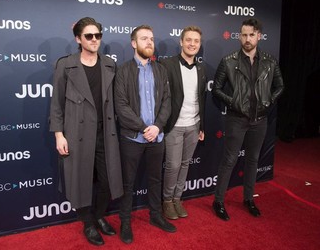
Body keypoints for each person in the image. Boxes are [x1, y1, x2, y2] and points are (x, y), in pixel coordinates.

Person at [49, 17, 123, 246]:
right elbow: (56, 103)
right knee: (79, 180)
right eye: (89, 36)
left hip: (105, 133)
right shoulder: (66, 64)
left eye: (97, 35)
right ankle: (88, 223)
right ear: (78, 39)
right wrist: (59, 134)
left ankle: (99, 215)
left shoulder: (110, 64)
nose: (94, 40)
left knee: (108, 180)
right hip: (76, 134)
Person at [212, 18, 284, 221]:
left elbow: (280, 86)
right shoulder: (229, 60)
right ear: (239, 36)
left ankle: (248, 199)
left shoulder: (270, 61)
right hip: (236, 119)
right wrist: (233, 101)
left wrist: (269, 100)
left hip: (260, 120)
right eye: (243, 35)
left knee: (252, 160)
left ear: (259, 36)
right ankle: (218, 201)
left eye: (251, 35)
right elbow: (216, 89)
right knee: (229, 161)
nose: (247, 39)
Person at [114, 25, 176, 244]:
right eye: (144, 39)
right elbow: (121, 106)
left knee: (155, 179)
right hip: (132, 138)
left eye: (151, 38)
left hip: (157, 137)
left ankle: (156, 216)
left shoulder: (160, 70)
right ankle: (125, 222)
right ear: (134, 43)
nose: (149, 42)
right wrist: (143, 128)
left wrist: (157, 126)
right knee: (128, 184)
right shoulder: (122, 71)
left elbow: (167, 102)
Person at [159, 26, 207, 220]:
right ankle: (167, 201)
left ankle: (177, 198)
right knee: (172, 165)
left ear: (199, 44)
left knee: (185, 163)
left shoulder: (202, 68)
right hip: (174, 126)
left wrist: (202, 126)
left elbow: (202, 99)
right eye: (188, 40)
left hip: (194, 125)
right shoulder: (168, 64)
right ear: (181, 42)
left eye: (196, 41)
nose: (192, 44)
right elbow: (161, 97)